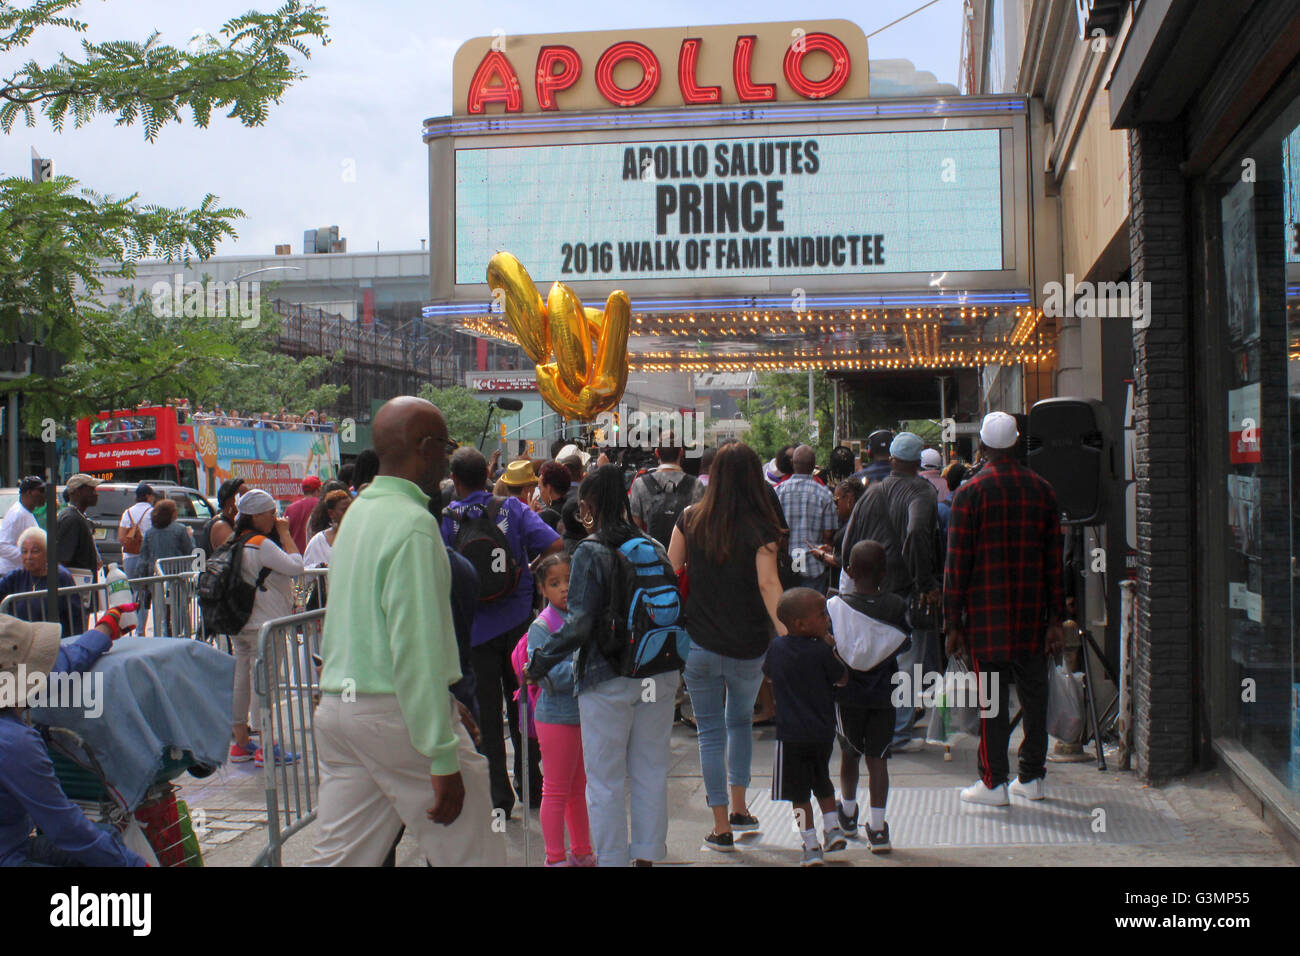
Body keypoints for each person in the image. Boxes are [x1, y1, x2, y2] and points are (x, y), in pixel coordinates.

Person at [307, 396, 500, 867]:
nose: (450, 458)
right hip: (393, 714)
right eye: (447, 444)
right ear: (424, 446)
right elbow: (415, 646)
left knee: (339, 860)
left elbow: (355, 621)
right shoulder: (414, 525)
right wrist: (441, 752)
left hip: (340, 708)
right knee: (474, 848)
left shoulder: (356, 515)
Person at [525, 465, 680, 866]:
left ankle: (611, 858)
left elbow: (579, 625)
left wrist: (540, 661)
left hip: (606, 677)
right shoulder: (653, 546)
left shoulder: (591, 552)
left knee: (605, 779)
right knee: (650, 769)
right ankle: (646, 857)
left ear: (588, 506)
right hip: (659, 669)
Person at [667, 441, 786, 851]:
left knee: (710, 734)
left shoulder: (689, 519)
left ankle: (720, 827)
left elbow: (672, 569)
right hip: (749, 644)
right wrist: (788, 637)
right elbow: (769, 585)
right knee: (739, 724)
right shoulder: (763, 528)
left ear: (714, 476)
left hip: (698, 642)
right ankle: (740, 806)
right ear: (755, 478)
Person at [945, 412, 1065, 806]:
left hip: (987, 619)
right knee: (1035, 698)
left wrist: (953, 623)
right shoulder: (1044, 490)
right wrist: (1055, 618)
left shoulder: (969, 494)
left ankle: (993, 781)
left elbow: (957, 566)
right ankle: (1032, 777)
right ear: (1016, 445)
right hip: (1033, 617)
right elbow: (1054, 563)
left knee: (991, 703)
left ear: (981, 447)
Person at [441, 447, 562, 817]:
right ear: (491, 477)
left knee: (488, 714)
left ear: (456, 480)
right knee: (523, 702)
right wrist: (527, 568)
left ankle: (498, 796)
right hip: (516, 623)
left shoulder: (447, 518)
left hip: (474, 628)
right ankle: (532, 784)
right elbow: (555, 544)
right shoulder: (513, 508)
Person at [0, 608, 146, 866]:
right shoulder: (14, 742)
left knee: (107, 836)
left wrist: (103, 630)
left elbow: (65, 662)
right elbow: (67, 829)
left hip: (12, 844)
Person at [840, 432, 940, 752]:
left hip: (871, 589)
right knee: (907, 662)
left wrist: (854, 574)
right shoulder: (922, 491)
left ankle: (869, 728)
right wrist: (925, 582)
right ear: (918, 459)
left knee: (874, 659)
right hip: (906, 589)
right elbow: (916, 532)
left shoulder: (871, 493)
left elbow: (848, 543)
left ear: (894, 459)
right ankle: (897, 731)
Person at [830, 541, 909, 852]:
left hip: (847, 696)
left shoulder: (835, 606)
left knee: (849, 754)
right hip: (883, 696)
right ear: (885, 572)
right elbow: (903, 644)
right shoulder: (896, 606)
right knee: (879, 760)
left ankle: (848, 813)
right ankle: (878, 828)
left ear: (848, 571)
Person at [763, 587, 849, 866]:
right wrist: (831, 647)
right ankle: (833, 828)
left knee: (797, 796)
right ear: (800, 623)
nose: (827, 618)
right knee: (822, 781)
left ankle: (810, 844)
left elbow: (768, 675)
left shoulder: (777, 648)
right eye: (821, 614)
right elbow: (843, 678)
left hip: (790, 736)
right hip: (822, 733)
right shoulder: (823, 651)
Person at [524, 554, 595, 867]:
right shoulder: (542, 626)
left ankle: (581, 851)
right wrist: (588, 670)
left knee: (578, 789)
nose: (564, 589)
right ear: (542, 589)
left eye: (569, 580)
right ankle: (554, 857)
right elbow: (547, 674)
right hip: (554, 717)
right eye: (555, 583)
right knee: (554, 790)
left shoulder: (581, 618)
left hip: (580, 715)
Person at [226, 489, 304, 766]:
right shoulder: (261, 543)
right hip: (264, 624)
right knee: (265, 685)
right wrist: (285, 533)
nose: (275, 519)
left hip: (240, 623)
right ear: (256, 515)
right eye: (271, 514)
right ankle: (267, 748)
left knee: (242, 681)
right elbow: (297, 566)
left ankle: (241, 744)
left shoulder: (234, 541)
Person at [776, 445, 837, 595]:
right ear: (813, 465)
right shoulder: (825, 494)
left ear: (793, 464)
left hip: (786, 567)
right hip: (813, 566)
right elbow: (828, 534)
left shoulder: (778, 492)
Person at [0, 528, 84, 636]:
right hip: (22, 642)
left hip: (55, 642)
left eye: (35, 551)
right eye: (24, 552)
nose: (28, 557)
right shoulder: (16, 576)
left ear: (47, 553)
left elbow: (77, 616)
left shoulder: (61, 577)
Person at [628, 435, 702, 547]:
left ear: (657, 453)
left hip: (652, 558)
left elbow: (633, 530)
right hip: (685, 559)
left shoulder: (640, 484)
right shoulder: (696, 485)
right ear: (681, 452)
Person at [810, 479, 864, 583]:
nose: (835, 506)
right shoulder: (853, 521)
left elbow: (843, 561)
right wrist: (832, 551)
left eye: (836, 501)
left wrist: (822, 555)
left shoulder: (854, 525)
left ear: (849, 499)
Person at [55, 474, 103, 577]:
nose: (96, 494)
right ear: (77, 492)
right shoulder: (71, 519)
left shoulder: (78, 516)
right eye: (91, 490)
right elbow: (61, 562)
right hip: (76, 587)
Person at [0, 477, 46, 577]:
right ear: (29, 493)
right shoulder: (17, 514)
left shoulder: (26, 512)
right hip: (9, 575)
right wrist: (29, 556)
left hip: (20, 574)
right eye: (41, 491)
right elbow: (2, 546)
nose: (44, 494)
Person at [303, 490, 351, 569]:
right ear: (331, 513)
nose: (349, 513)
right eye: (344, 510)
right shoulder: (318, 541)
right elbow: (306, 571)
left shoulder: (360, 537)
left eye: (351, 509)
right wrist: (317, 567)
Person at [117, 483, 156, 578]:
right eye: (152, 496)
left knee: (134, 589)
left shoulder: (127, 513)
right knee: (151, 588)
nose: (153, 498)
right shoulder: (153, 512)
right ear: (148, 496)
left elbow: (121, 537)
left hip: (130, 556)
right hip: (149, 556)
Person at [201, 478, 247, 556]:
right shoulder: (221, 526)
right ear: (229, 501)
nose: (249, 500)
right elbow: (235, 555)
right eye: (243, 496)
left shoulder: (232, 523)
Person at [285, 475, 323, 553]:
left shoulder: (291, 508)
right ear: (318, 490)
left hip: (296, 554)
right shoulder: (321, 504)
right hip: (315, 554)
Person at [536, 461, 571, 532]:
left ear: (548, 488)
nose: (540, 493)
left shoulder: (546, 517)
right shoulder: (574, 508)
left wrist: (531, 516)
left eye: (540, 488)